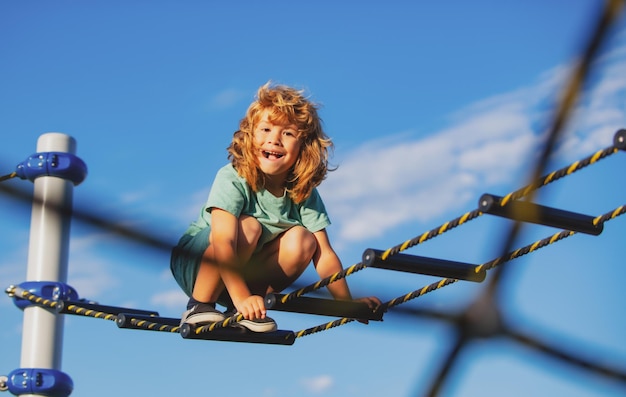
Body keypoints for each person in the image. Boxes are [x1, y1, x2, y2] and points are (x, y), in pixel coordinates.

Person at [170, 82, 380, 332]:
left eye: (288, 133)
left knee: (304, 240)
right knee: (249, 227)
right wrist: (240, 297)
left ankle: (248, 309)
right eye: (266, 129)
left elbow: (324, 255)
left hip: (242, 276)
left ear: (303, 147)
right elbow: (223, 241)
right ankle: (200, 305)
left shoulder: (303, 192)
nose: (274, 139)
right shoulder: (234, 178)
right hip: (198, 266)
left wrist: (346, 304)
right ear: (249, 136)